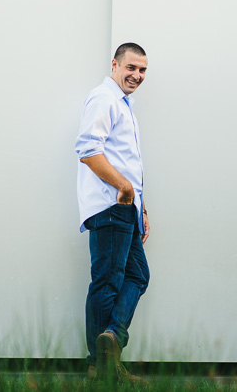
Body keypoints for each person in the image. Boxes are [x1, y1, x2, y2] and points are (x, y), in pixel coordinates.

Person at [75, 43, 151, 382]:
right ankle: (100, 366)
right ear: (115, 65)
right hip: (111, 205)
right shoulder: (104, 98)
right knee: (106, 282)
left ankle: (111, 341)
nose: (136, 75)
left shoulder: (123, 104)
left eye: (143, 70)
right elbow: (88, 150)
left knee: (136, 275)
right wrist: (124, 188)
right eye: (131, 67)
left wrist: (141, 206)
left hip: (126, 206)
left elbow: (125, 161)